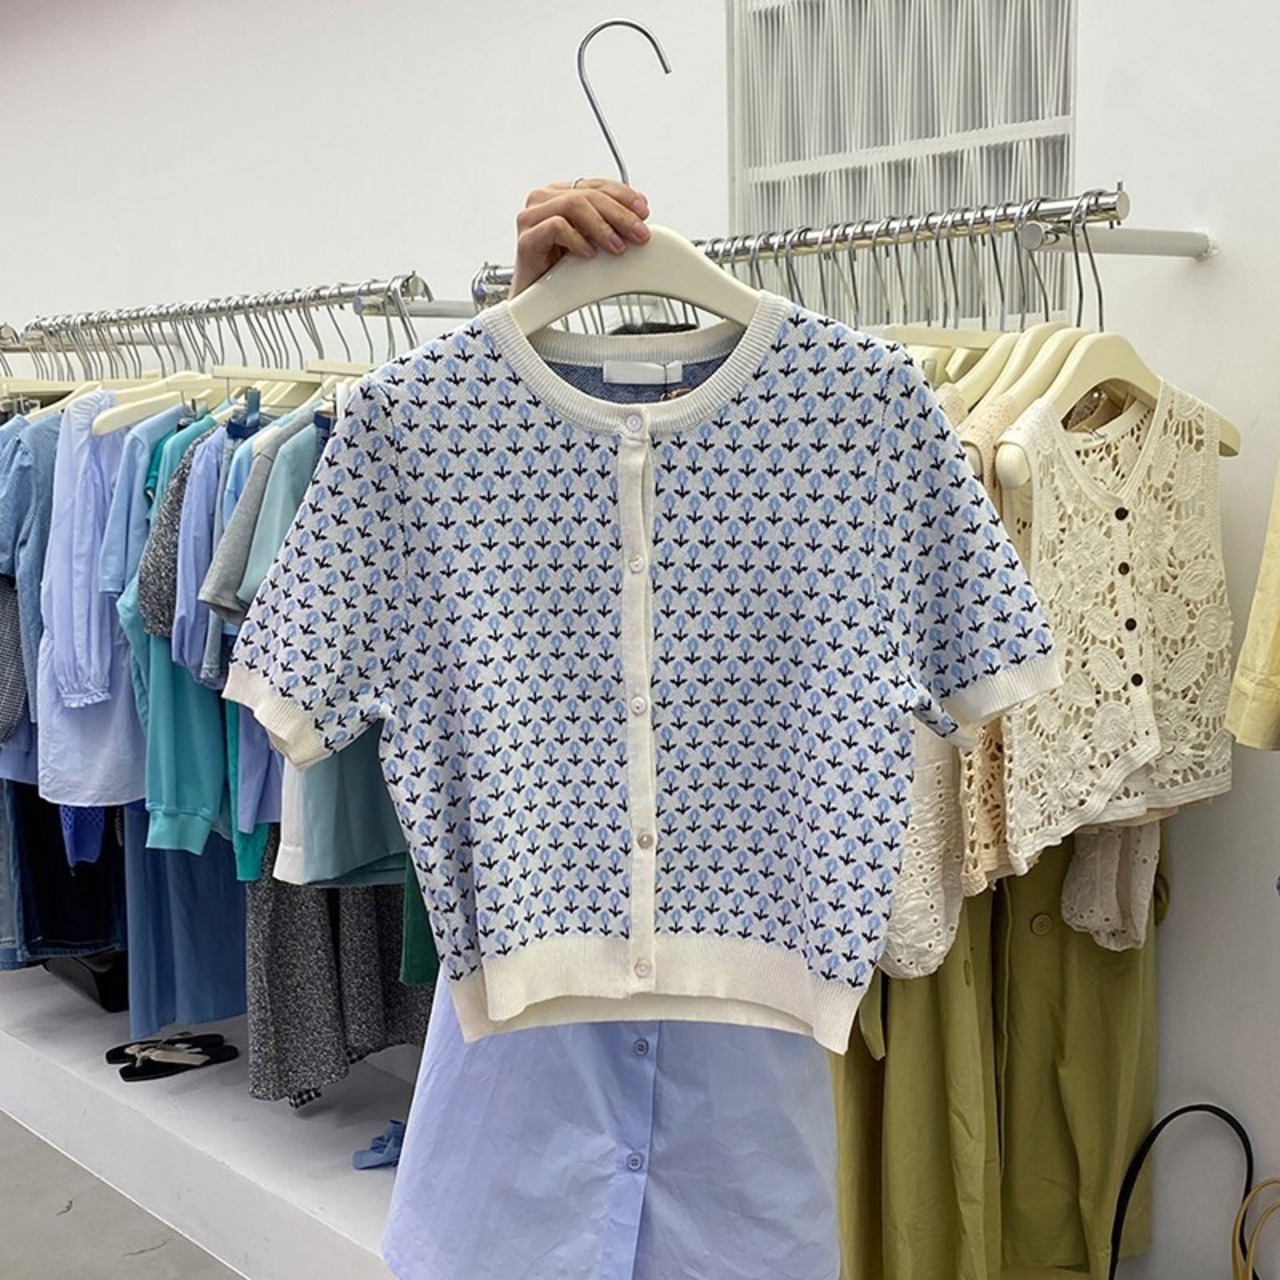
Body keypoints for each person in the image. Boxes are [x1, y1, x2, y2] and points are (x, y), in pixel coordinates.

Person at [380, 180, 842, 1280]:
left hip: (739, 1162)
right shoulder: (435, 436)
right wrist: (506, 359)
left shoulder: (849, 433)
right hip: (510, 1145)